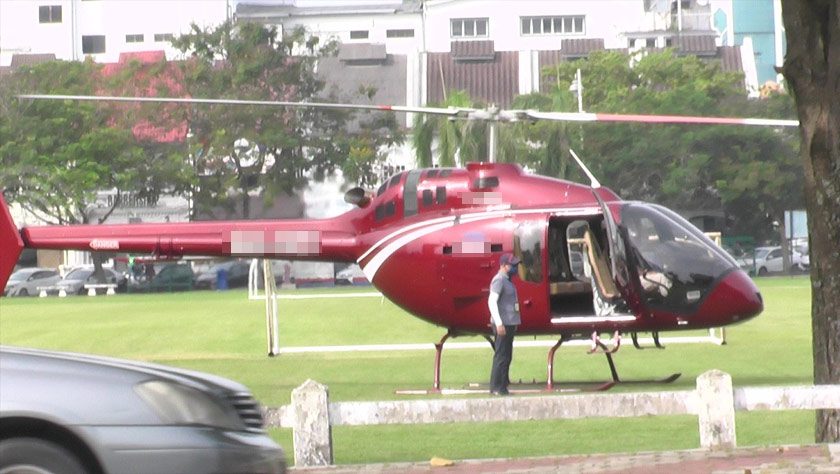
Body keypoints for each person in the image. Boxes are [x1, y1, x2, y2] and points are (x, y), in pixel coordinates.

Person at [488, 253, 521, 395]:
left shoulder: (507, 280)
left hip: (508, 323)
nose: (514, 267)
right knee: (501, 356)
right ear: (503, 266)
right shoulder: (499, 280)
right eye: (512, 265)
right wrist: (499, 323)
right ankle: (497, 387)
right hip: (503, 324)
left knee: (506, 356)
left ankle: (502, 386)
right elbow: (491, 301)